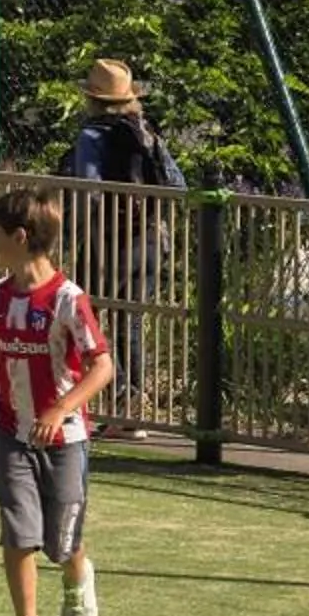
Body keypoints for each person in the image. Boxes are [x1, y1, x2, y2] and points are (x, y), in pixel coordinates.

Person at [0, 188, 110, 616]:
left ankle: (77, 574)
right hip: (9, 433)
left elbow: (102, 367)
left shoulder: (67, 300)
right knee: (18, 530)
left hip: (65, 441)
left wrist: (61, 408)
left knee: (61, 541)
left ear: (20, 238)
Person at [56, 58, 184, 432]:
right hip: (151, 237)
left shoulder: (91, 136)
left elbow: (90, 193)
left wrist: (70, 234)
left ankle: (113, 401)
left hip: (107, 242)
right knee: (130, 320)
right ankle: (132, 414)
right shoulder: (146, 132)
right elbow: (177, 185)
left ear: (92, 99)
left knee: (85, 317)